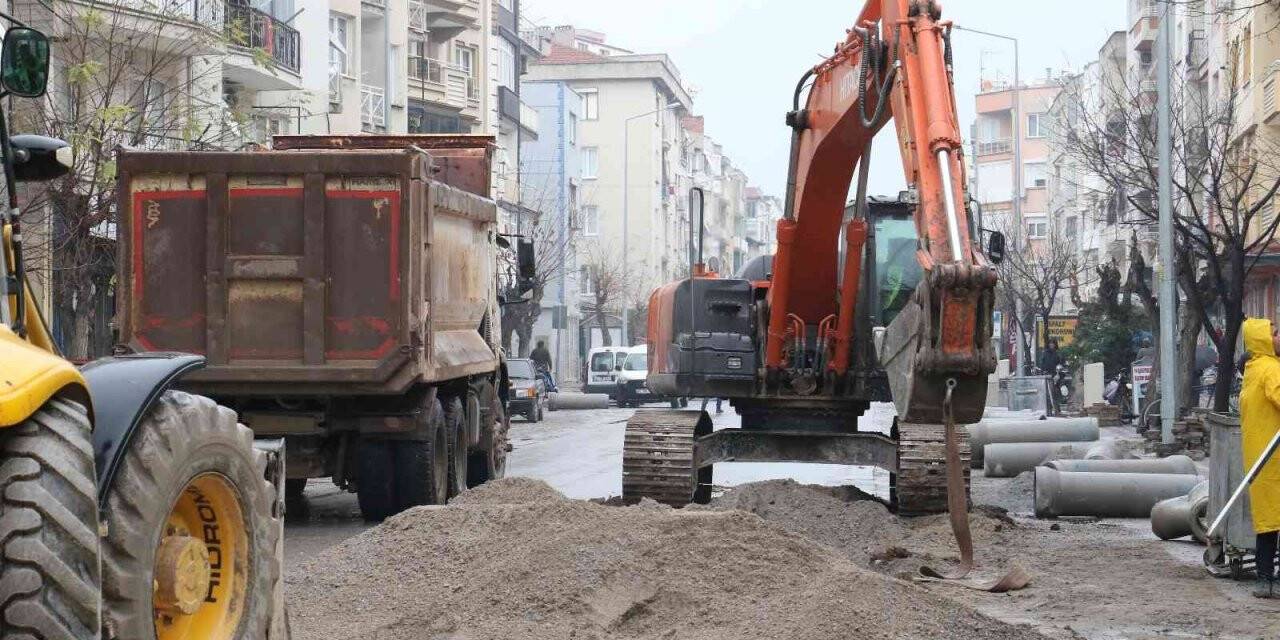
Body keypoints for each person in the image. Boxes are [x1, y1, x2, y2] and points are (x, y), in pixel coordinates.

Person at [1237, 318, 1280, 598]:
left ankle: (1264, 580)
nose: (1278, 336)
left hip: (1260, 456)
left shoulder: (1252, 369)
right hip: (1274, 456)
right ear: (1263, 339)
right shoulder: (1271, 369)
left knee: (1268, 521)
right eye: (1274, 332)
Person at [1039, 339, 1063, 415]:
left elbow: (1061, 364)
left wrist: (1058, 373)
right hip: (1047, 375)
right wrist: (1043, 371)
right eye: (1050, 343)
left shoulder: (1057, 354)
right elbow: (1042, 364)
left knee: (1055, 392)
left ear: (1055, 344)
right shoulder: (1045, 353)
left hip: (1055, 375)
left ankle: (1057, 409)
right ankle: (1049, 410)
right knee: (1048, 393)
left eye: (1053, 343)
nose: (1051, 345)